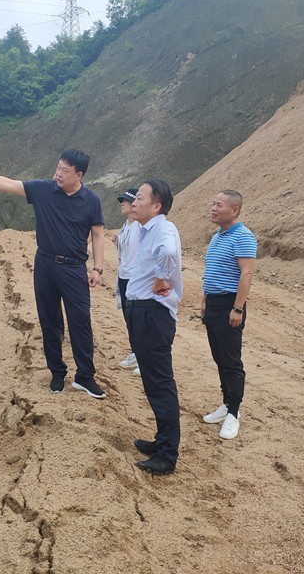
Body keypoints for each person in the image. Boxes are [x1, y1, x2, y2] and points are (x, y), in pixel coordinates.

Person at [0, 149, 107, 400]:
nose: (58, 173)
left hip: (74, 267)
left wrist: (97, 267)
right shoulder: (44, 190)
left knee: (80, 322)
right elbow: (7, 184)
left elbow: (97, 234)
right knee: (49, 321)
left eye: (65, 170)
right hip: (45, 265)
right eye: (58, 167)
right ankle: (56, 372)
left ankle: (84, 376)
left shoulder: (91, 200)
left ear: (79, 174)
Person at [125, 180, 183, 475]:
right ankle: (161, 441)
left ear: (156, 206)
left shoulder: (163, 229)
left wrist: (161, 278)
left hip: (152, 314)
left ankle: (167, 455)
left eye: (139, 198)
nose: (134, 202)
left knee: (160, 383)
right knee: (152, 381)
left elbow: (169, 253)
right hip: (142, 311)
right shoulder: (147, 229)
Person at [200, 190, 257, 439]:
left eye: (219, 205)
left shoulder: (243, 237)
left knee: (232, 360)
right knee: (219, 356)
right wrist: (204, 299)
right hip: (213, 303)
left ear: (234, 210)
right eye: (213, 204)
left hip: (229, 304)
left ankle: (234, 412)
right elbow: (211, 271)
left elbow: (246, 274)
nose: (213, 208)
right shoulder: (217, 236)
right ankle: (226, 403)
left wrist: (237, 308)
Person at [115, 187, 140, 374]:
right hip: (123, 276)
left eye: (125, 201)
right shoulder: (126, 225)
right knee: (128, 317)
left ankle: (143, 357)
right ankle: (136, 352)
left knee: (137, 318)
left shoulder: (140, 226)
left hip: (135, 277)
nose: (122, 204)